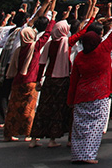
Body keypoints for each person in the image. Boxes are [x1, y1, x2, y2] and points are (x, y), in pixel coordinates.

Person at [68, 1, 112, 164]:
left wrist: (70, 99)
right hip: (100, 94)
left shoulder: (80, 57)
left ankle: (77, 154)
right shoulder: (103, 50)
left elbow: (74, 79)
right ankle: (88, 155)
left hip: (81, 95)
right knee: (95, 127)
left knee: (79, 127)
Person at [4, 0, 58, 142]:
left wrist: (48, 3)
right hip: (30, 80)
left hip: (17, 80)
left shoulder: (20, 46)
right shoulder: (34, 47)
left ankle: (9, 133)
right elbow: (47, 33)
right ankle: (28, 133)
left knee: (13, 108)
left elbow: (34, 20)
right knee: (28, 109)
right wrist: (52, 16)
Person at [29, 12, 77, 147]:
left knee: (43, 108)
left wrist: (38, 80)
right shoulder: (67, 42)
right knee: (58, 110)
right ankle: (52, 140)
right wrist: (91, 19)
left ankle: (34, 139)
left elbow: (42, 63)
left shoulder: (49, 44)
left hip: (49, 79)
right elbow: (81, 33)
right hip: (63, 80)